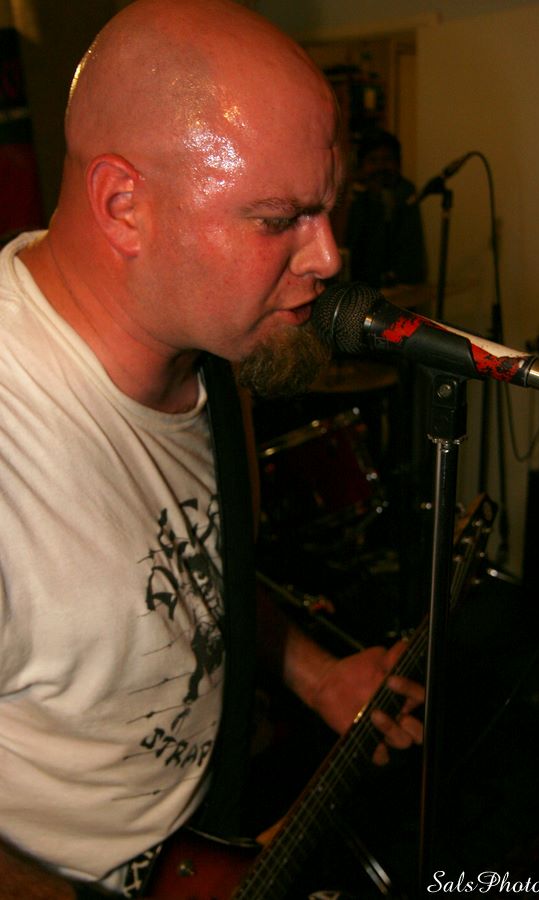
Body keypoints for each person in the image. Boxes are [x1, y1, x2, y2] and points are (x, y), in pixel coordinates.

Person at [0, 1, 425, 897]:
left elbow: (184, 581)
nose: (329, 256)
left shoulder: (207, 361)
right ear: (124, 206)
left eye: (328, 208)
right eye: (279, 219)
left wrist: (315, 675)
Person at [344, 129, 427, 288]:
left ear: (398, 164)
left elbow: (411, 249)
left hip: (400, 288)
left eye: (387, 159)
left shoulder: (406, 193)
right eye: (373, 160)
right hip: (360, 288)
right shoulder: (354, 196)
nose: (380, 167)